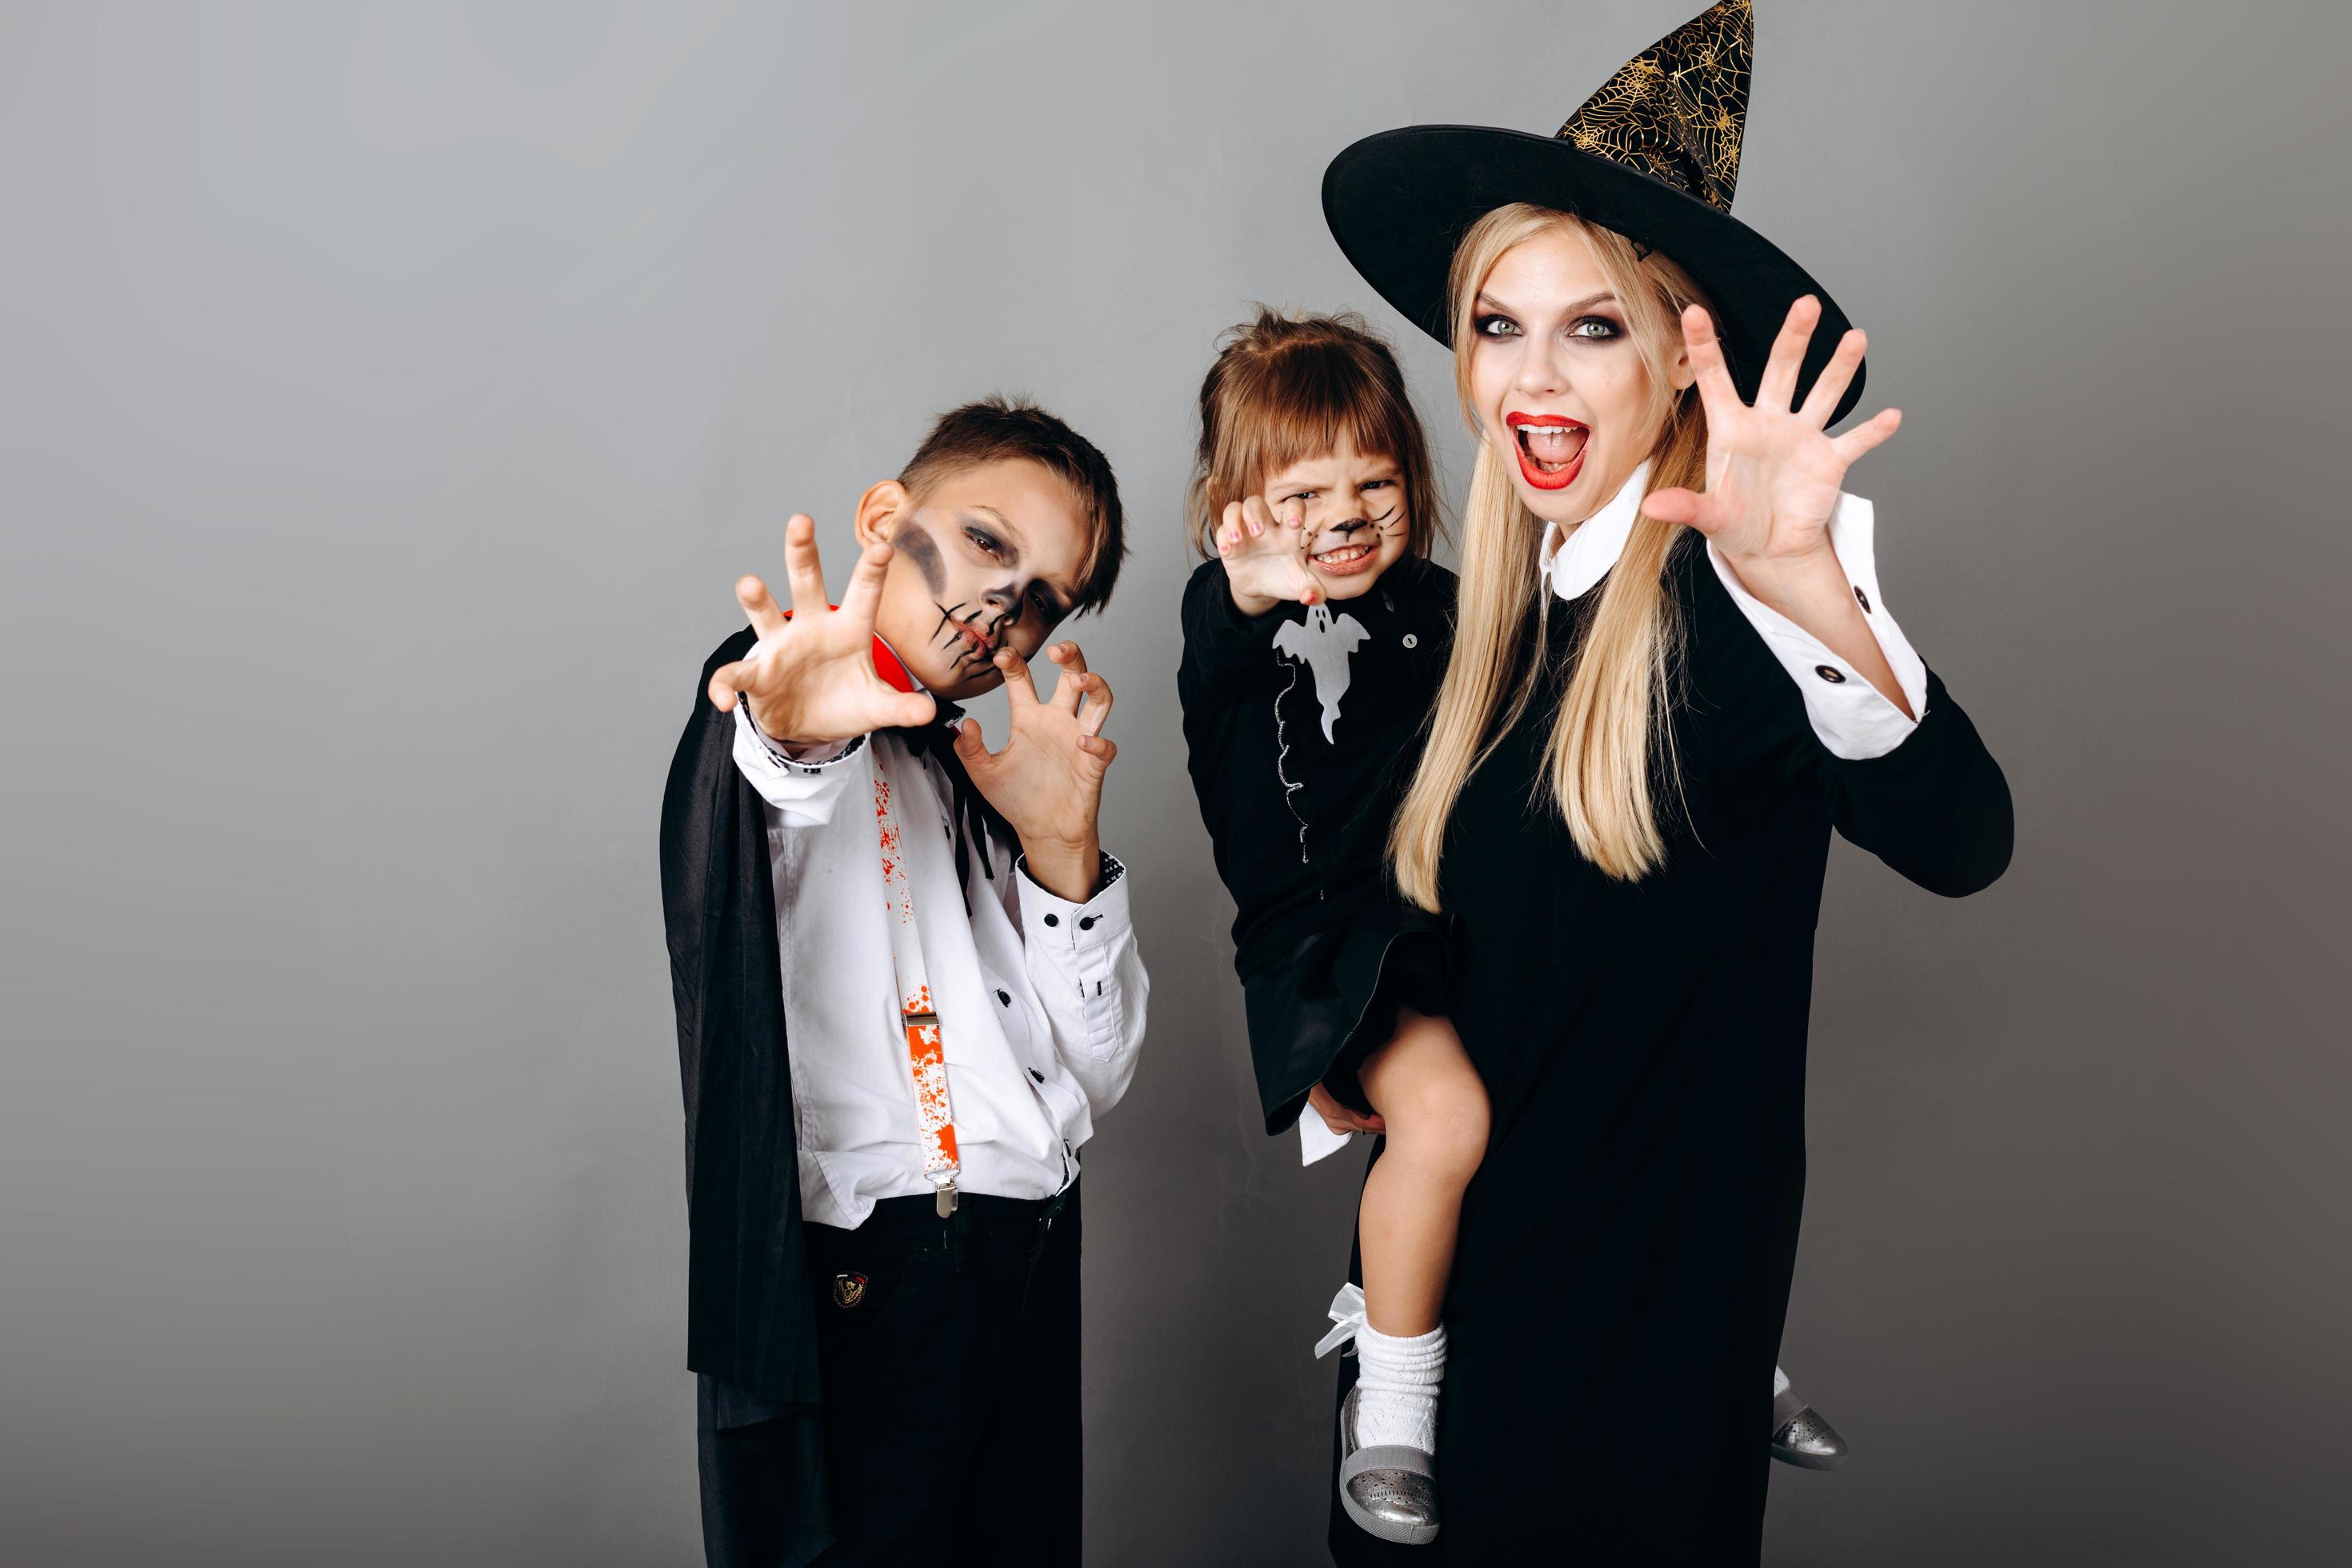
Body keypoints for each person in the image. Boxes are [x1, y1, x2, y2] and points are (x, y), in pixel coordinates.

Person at [1315, 2, 2013, 1561]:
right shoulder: (1476, 627)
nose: (1532, 379)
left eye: (1594, 325)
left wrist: (1816, 595)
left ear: (1680, 355)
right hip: (1442, 1331)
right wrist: (1357, 1040)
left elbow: (1965, 835)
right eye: (1498, 324)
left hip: (1632, 1363)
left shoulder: (1745, 598)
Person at [1178, 310, 1854, 1548]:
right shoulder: (1240, 621)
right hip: (1335, 945)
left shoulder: (1454, 604)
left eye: (1375, 482)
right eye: (1303, 493)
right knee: (1445, 1120)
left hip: (1447, 925)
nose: (1345, 515)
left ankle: (1725, 1355)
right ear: (1238, 508)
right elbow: (1220, 658)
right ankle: (1392, 1407)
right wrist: (1249, 585)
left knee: (1627, 1096)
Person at [658, 397, 1146, 1566]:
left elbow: (1095, 1076)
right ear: (888, 515)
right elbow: (764, 784)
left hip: (1021, 1258)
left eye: (1040, 601)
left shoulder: (974, 773)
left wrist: (1062, 850)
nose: (997, 612)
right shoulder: (771, 698)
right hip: (864, 1282)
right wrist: (795, 730)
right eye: (986, 544)